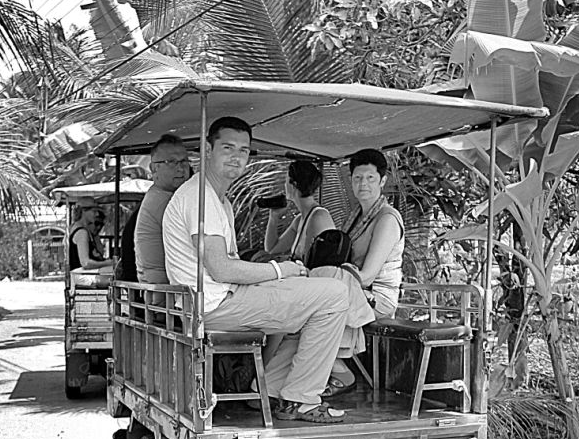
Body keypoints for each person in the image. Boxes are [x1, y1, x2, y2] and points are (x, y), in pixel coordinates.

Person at [161, 116, 350, 423]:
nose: (236, 157)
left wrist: (281, 272)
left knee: (313, 304)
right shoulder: (200, 198)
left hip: (221, 298)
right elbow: (222, 269)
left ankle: (271, 389)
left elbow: (229, 264)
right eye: (227, 148)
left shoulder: (218, 200)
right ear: (207, 149)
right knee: (336, 294)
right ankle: (301, 400)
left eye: (244, 150)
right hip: (214, 306)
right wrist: (280, 271)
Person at [343, 148, 405, 319]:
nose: (363, 183)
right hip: (352, 290)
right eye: (357, 178)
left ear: (382, 181)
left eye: (370, 178)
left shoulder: (387, 218)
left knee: (318, 303)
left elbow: (366, 277)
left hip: (377, 298)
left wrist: (331, 277)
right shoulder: (353, 217)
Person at [130, 134, 190, 283]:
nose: (180, 168)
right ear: (153, 168)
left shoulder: (167, 195)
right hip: (163, 288)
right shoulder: (163, 200)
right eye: (171, 162)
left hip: (169, 284)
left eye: (184, 161)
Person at [263, 160, 335, 262]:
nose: (284, 185)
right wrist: (273, 218)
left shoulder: (318, 217)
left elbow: (315, 262)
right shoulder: (300, 220)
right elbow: (272, 249)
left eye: (286, 181)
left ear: (293, 185)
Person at [68, 197, 114, 270]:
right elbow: (86, 263)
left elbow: (99, 252)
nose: (97, 214)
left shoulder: (84, 230)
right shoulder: (81, 232)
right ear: (83, 211)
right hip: (84, 274)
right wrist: (107, 263)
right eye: (94, 211)